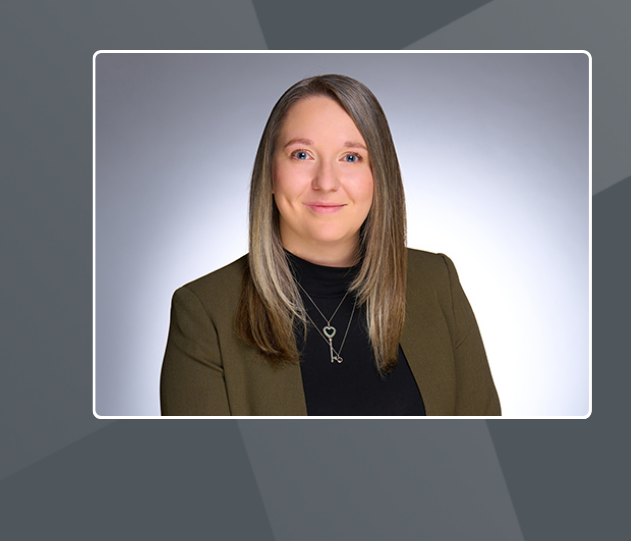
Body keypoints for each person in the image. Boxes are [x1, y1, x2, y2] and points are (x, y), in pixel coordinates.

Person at [160, 74, 501, 416]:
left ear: (379, 175)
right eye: (302, 154)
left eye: (351, 157)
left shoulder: (437, 282)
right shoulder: (205, 311)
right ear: (270, 173)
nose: (326, 182)